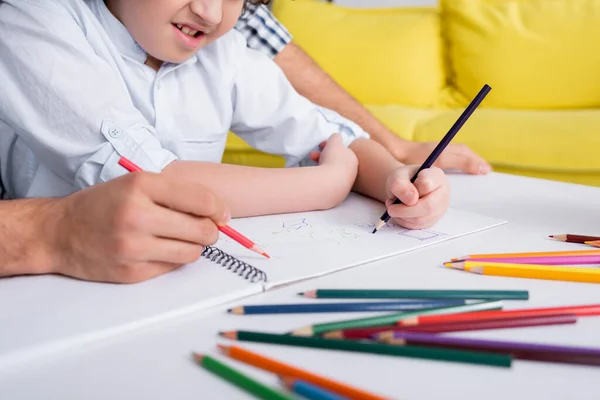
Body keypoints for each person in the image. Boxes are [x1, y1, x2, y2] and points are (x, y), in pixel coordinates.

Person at [0, 0, 449, 282]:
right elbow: (152, 179)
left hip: (185, 281)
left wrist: (397, 178)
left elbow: (332, 137)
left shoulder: (225, 53)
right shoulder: (34, 17)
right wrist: (325, 184)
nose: (211, 13)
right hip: (56, 288)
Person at [235, 4, 492, 176]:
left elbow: (322, 134)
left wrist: (393, 158)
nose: (209, 13)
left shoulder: (236, 54)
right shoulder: (229, 61)